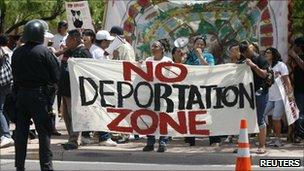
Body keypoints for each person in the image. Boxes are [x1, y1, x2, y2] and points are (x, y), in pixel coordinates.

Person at [11, 19, 59, 171]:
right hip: (40, 97)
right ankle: (46, 167)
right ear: (40, 35)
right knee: (44, 134)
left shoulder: (17, 52)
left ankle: (19, 166)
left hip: (22, 96)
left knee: (21, 134)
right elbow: (56, 75)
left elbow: (15, 74)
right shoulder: (45, 52)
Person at [59, 29, 92, 150]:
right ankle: (71, 138)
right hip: (66, 89)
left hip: (75, 91)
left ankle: (74, 140)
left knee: (74, 115)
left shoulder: (83, 52)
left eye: (68, 39)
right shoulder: (69, 51)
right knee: (67, 116)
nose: (66, 41)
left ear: (74, 39)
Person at [238, 40, 273, 154]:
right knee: (244, 120)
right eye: (247, 51)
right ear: (243, 53)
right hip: (247, 94)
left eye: (249, 49)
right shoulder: (242, 60)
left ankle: (262, 146)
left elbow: (265, 74)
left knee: (260, 119)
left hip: (261, 93)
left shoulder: (260, 59)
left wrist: (254, 66)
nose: (250, 51)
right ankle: (243, 145)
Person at [183, 36, 219, 146]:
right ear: (193, 45)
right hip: (191, 89)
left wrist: (200, 57)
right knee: (190, 113)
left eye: (201, 44)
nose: (199, 46)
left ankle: (214, 139)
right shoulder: (189, 56)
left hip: (206, 88)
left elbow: (210, 68)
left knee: (209, 113)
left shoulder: (209, 56)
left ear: (204, 46)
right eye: (197, 44)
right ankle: (190, 140)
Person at [142, 40, 172, 153]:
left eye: (156, 46)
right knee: (150, 118)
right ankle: (150, 142)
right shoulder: (148, 60)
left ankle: (163, 142)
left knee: (163, 118)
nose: (153, 48)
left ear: (162, 49)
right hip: (149, 94)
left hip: (164, 94)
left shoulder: (168, 61)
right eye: (152, 46)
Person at [263, 47, 292, 147]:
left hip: (280, 96)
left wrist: (290, 94)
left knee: (276, 118)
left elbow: (287, 81)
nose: (266, 54)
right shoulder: (267, 66)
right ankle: (266, 137)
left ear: (274, 54)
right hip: (269, 96)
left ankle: (278, 139)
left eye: (268, 52)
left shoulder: (281, 65)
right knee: (261, 115)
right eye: (265, 52)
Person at [288, 37, 304, 143]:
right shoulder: (293, 59)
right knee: (298, 113)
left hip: (301, 91)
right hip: (298, 90)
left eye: (295, 46)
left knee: (301, 114)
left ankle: (299, 134)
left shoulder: (298, 57)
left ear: (299, 47)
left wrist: (295, 56)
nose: (293, 48)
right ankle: (298, 134)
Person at [0, 35, 14, 148]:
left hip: (1, 82)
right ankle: (5, 134)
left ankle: (6, 135)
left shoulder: (2, 50)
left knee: (0, 110)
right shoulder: (9, 51)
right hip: (9, 82)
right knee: (4, 109)